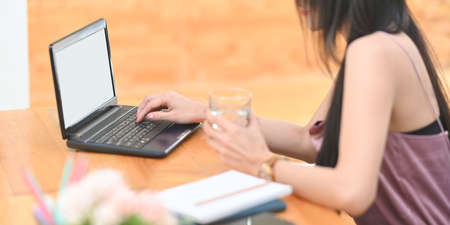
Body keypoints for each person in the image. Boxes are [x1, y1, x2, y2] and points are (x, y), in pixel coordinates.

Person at [136, 0, 450, 224]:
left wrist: (262, 164)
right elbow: (308, 140)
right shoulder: (384, 39)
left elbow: (353, 191)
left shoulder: (373, 52)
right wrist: (206, 113)